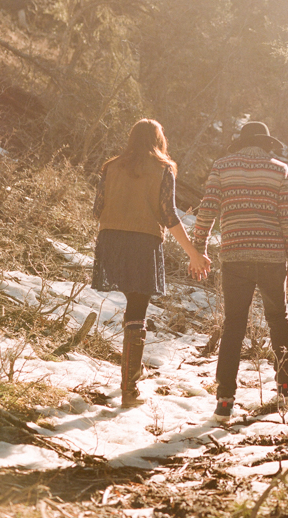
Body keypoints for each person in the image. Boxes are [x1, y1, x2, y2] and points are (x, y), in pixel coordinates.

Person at [92, 118, 209, 408]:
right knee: (137, 308)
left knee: (132, 302)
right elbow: (169, 215)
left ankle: (132, 373)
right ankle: (129, 388)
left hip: (110, 240)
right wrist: (193, 253)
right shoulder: (163, 169)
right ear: (159, 141)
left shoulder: (110, 166)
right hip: (142, 243)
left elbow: (98, 209)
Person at [192, 121, 288, 423]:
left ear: (241, 143)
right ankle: (286, 388)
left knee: (234, 325)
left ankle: (224, 401)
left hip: (235, 256)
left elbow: (208, 209)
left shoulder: (223, 166)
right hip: (272, 258)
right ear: (267, 145)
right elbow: (287, 219)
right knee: (278, 319)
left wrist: (198, 249)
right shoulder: (280, 170)